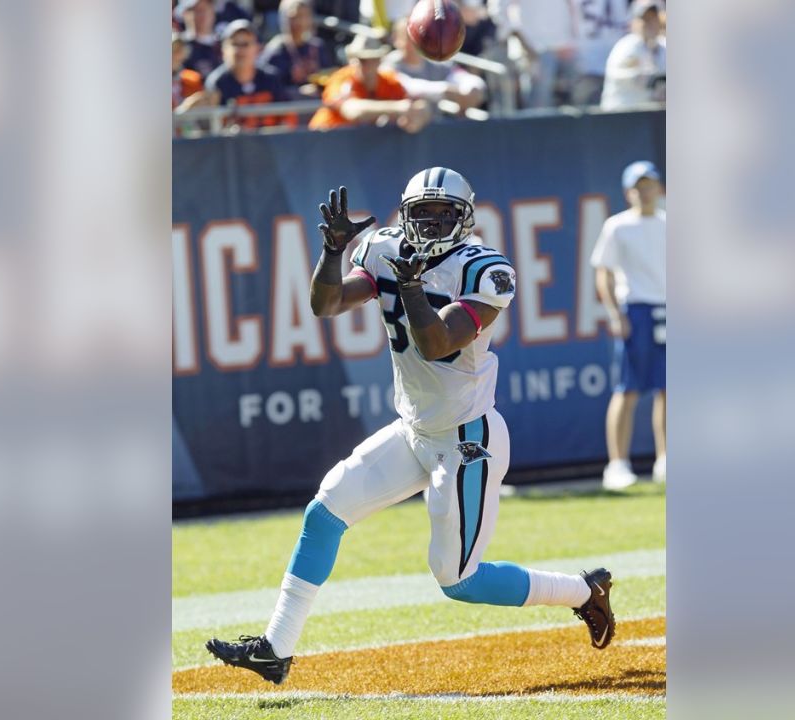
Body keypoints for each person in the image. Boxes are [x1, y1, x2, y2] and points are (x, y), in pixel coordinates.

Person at [206, 171, 617, 684]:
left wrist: (410, 286)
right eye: (423, 212)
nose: (432, 222)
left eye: (444, 213)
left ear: (465, 219)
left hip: (468, 439)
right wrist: (334, 253)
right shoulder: (383, 250)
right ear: (405, 213)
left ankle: (582, 591)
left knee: (457, 579)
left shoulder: (485, 269)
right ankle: (275, 648)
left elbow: (438, 343)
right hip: (415, 430)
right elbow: (326, 303)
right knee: (325, 510)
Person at [591, 161, 666, 489]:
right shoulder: (617, 227)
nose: (645, 191)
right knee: (628, 389)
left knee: (670, 390)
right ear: (628, 192)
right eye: (639, 186)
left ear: (659, 188)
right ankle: (617, 464)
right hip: (635, 311)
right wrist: (615, 314)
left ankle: (666, 459)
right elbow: (603, 272)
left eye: (650, 184)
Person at [309, 34, 432, 132]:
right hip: (325, 143)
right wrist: (398, 108)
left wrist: (418, 116)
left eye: (373, 59)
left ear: (380, 60)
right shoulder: (340, 79)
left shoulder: (388, 80)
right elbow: (352, 110)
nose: (368, 66)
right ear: (352, 60)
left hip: (359, 150)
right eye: (362, 60)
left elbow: (418, 106)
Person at [204, 20, 298, 130]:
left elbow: (288, 119)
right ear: (223, 50)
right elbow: (212, 129)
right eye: (235, 44)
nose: (240, 50)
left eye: (245, 44)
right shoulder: (217, 83)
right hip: (233, 145)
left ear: (257, 48)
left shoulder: (271, 78)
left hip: (270, 144)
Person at [383, 18, 486, 114]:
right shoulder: (389, 64)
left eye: (419, 36)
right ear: (396, 39)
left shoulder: (435, 63)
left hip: (434, 129)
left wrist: (472, 88)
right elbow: (407, 86)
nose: (415, 42)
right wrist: (445, 91)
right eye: (409, 37)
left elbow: (459, 76)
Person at [259, 0, 337, 97]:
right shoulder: (276, 51)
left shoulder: (316, 46)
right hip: (289, 107)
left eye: (305, 16)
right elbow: (271, 88)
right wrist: (299, 92)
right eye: (295, 17)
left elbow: (328, 75)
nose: (300, 22)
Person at [600, 0, 666, 110]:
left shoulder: (665, 46)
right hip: (621, 115)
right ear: (634, 22)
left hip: (652, 116)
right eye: (645, 19)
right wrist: (647, 78)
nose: (650, 23)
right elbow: (617, 75)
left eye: (654, 18)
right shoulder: (626, 47)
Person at [178, 0, 223, 79]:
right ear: (185, 14)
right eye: (197, 10)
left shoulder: (225, 43)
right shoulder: (177, 46)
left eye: (206, 8)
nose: (203, 14)